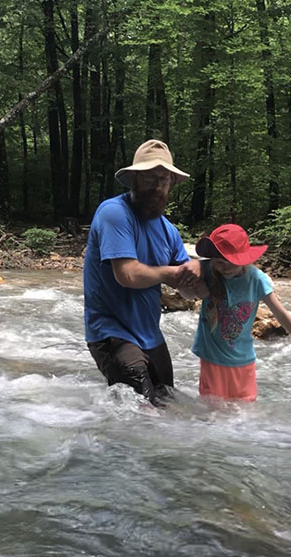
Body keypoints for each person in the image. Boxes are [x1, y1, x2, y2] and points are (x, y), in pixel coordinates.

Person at [84, 140, 202, 406]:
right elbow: (127, 274)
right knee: (140, 413)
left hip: (149, 334)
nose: (158, 187)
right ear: (134, 179)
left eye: (164, 179)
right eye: (150, 178)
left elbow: (188, 289)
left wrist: (203, 272)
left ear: (172, 182)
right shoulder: (114, 213)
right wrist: (172, 273)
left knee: (167, 405)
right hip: (110, 332)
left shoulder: (168, 231)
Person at [190, 224, 291, 401]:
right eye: (220, 262)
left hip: (243, 361)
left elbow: (282, 315)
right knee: (213, 415)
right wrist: (194, 274)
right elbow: (185, 288)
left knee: (244, 415)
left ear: (244, 259)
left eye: (231, 262)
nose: (225, 268)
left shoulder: (256, 279)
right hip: (212, 360)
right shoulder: (207, 272)